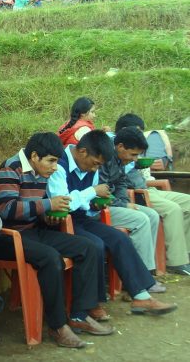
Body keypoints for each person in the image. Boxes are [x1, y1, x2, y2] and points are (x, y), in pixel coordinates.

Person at [0, 133, 112, 348]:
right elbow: (7, 209)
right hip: (5, 237)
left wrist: (49, 217)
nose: (55, 167)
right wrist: (48, 205)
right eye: (51, 161)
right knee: (50, 258)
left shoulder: (41, 171)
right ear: (35, 156)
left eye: (56, 161)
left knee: (88, 247)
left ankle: (79, 315)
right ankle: (58, 326)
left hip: (30, 231)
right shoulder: (10, 168)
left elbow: (36, 208)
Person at [48, 130, 177, 315]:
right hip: (59, 222)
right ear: (82, 152)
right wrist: (93, 192)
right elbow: (63, 203)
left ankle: (141, 296)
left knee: (119, 238)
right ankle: (92, 304)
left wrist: (96, 205)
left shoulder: (91, 167)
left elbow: (86, 205)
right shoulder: (58, 165)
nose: (95, 169)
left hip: (81, 218)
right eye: (95, 163)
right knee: (96, 245)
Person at [116, 113, 190, 275]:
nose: (140, 135)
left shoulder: (133, 150)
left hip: (148, 188)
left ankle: (185, 252)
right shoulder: (117, 152)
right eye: (136, 131)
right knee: (173, 209)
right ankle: (177, 261)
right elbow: (120, 182)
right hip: (137, 193)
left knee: (188, 202)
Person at [99, 127, 163, 292]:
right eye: (133, 154)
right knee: (141, 219)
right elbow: (100, 190)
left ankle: (146, 273)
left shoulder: (120, 159)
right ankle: (140, 280)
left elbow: (121, 183)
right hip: (101, 207)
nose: (135, 160)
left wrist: (125, 202)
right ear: (120, 146)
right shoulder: (103, 157)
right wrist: (122, 204)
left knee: (152, 215)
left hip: (115, 204)